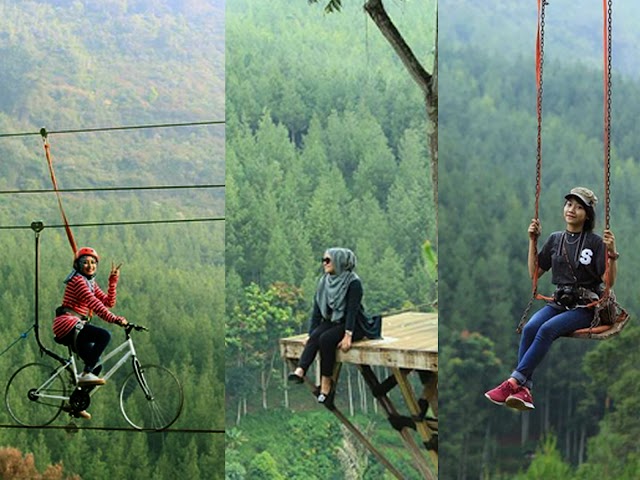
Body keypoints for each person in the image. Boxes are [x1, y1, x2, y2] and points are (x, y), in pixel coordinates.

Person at [485, 187, 618, 411]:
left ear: (587, 215)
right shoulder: (556, 239)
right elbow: (535, 273)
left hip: (585, 306)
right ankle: (524, 389)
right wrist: (532, 241)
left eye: (578, 207)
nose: (572, 210)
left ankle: (513, 383)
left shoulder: (596, 243)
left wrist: (612, 253)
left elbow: (609, 281)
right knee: (530, 328)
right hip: (560, 302)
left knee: (547, 330)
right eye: (569, 204)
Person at [287, 247, 380, 404]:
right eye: (323, 260)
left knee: (326, 339)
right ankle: (300, 371)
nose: (324, 263)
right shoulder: (324, 281)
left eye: (328, 260)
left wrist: (348, 336)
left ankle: (326, 383)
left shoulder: (353, 282)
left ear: (339, 261)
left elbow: (352, 311)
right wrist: (310, 335)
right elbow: (317, 310)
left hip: (353, 324)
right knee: (316, 336)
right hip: (332, 321)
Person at [53, 247, 128, 419]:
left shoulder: (90, 283)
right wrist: (115, 319)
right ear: (78, 265)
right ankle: (85, 374)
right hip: (67, 323)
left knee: (97, 365)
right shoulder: (78, 282)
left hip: (76, 325)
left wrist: (113, 281)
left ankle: (75, 404)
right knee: (104, 335)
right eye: (85, 262)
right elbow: (94, 303)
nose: (89, 265)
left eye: (93, 262)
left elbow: (108, 302)